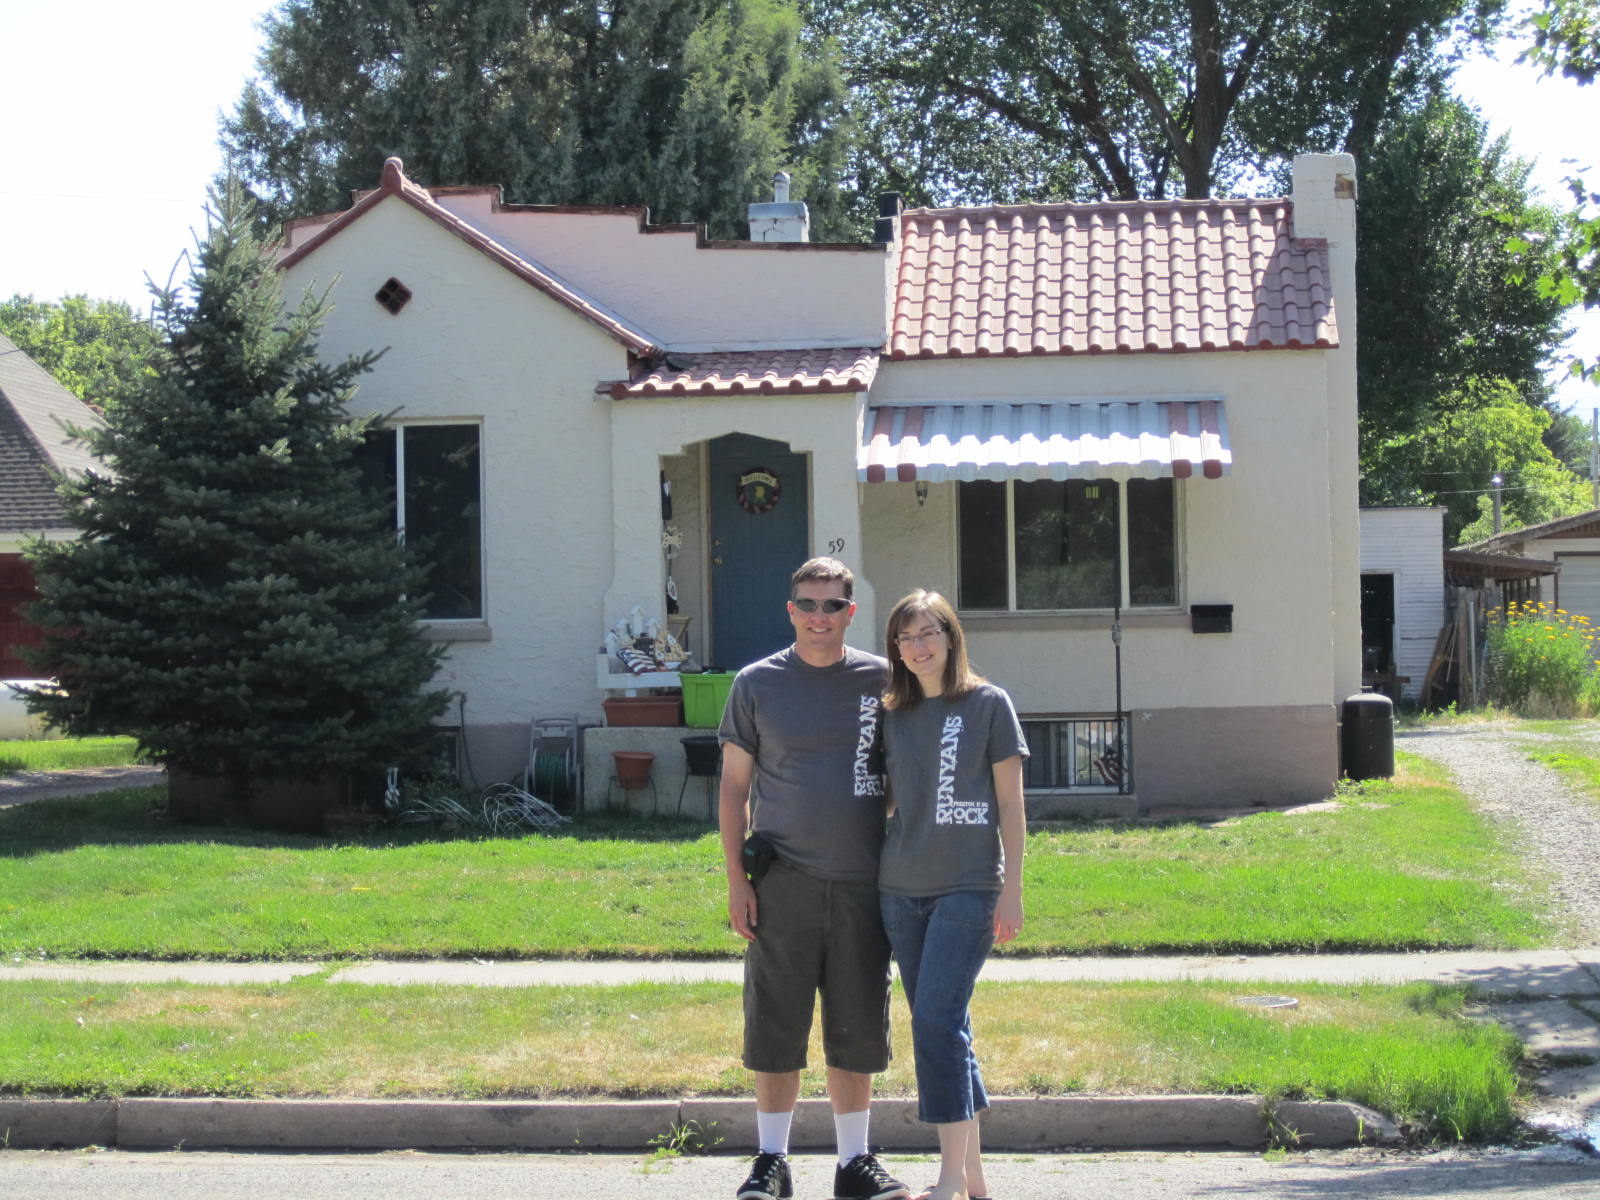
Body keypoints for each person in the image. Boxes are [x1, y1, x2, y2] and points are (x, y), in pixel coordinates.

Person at [718, 556, 910, 1200]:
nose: (818, 616)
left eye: (832, 605)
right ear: (790, 610)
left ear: (851, 613)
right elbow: (734, 788)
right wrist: (737, 882)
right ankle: (771, 1162)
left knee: (857, 1026)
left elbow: (903, 772)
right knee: (776, 1024)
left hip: (863, 882)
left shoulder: (884, 680)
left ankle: (854, 1163)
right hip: (782, 882)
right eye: (807, 604)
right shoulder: (756, 683)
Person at [878, 589, 1027, 1200]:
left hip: (969, 886)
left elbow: (1012, 803)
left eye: (927, 634)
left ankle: (947, 1179)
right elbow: (887, 797)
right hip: (899, 888)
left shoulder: (989, 704)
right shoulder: (891, 713)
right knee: (945, 1024)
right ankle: (974, 1176)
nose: (917, 647)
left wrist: (1012, 887)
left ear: (950, 637)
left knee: (936, 1023)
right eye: (905, 638)